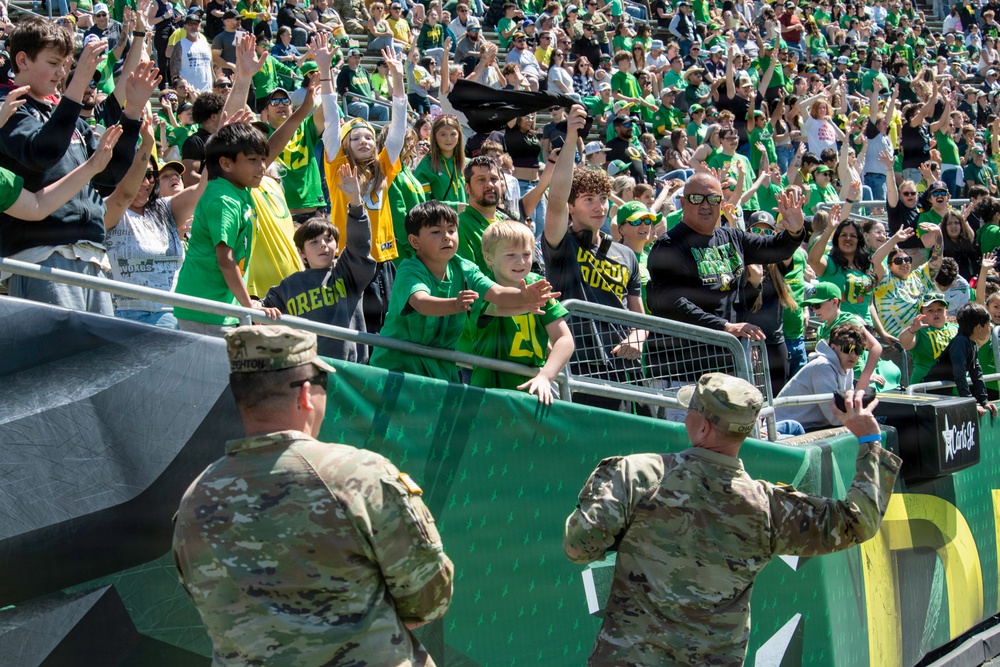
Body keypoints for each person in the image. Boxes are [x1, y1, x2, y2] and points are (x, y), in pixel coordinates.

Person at [563, 373, 901, 666]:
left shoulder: (637, 474)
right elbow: (858, 522)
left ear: (703, 426)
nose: (686, 416)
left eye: (691, 410)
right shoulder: (768, 506)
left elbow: (579, 547)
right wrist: (869, 440)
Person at [172, 325, 454, 666]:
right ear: (306, 394)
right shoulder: (358, 475)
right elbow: (428, 598)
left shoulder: (194, 499)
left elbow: (207, 601)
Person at [0, 19, 152, 314]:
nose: (61, 73)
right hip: (42, 256)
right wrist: (77, 84)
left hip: (92, 253)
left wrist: (132, 113)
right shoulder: (8, 108)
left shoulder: (66, 117)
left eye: (66, 65)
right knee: (56, 356)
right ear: (22, 60)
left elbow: (108, 173)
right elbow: (42, 153)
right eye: (54, 62)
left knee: (95, 360)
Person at [369, 201, 556, 381]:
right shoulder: (409, 270)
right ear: (414, 241)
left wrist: (524, 297)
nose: (446, 237)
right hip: (397, 369)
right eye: (436, 231)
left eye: (451, 230)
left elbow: (497, 293)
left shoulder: (465, 268)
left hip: (441, 371)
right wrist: (455, 304)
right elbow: (421, 302)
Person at [543, 105, 648, 412]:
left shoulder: (626, 254)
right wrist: (573, 135)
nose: (599, 207)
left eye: (602, 199)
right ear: (572, 207)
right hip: (579, 369)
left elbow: (639, 317)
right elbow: (557, 197)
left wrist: (638, 337)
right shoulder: (562, 245)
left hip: (625, 369)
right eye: (588, 200)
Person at [172, 123, 281, 334]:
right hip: (205, 309)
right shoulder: (224, 200)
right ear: (226, 164)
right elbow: (226, 260)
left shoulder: (240, 191)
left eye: (263, 160)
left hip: (221, 307)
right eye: (252, 160)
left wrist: (246, 304)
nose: (262, 167)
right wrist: (248, 306)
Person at [263, 164, 377, 362]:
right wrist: (257, 307)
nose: (323, 245)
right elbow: (262, 310)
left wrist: (355, 201)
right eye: (314, 242)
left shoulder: (348, 273)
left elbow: (360, 243)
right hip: (308, 369)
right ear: (301, 252)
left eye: (328, 239)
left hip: (350, 373)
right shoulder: (289, 286)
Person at [468, 221, 575, 404]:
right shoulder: (481, 287)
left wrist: (545, 376)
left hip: (535, 388)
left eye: (526, 254)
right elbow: (498, 308)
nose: (521, 261)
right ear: (489, 258)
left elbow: (564, 339)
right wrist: (525, 302)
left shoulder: (538, 286)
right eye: (511, 255)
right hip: (490, 389)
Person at [774, 322, 866, 431]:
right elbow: (834, 416)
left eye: (858, 351)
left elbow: (846, 409)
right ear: (833, 347)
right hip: (786, 428)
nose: (853, 355)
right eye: (848, 349)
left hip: (812, 426)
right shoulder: (823, 367)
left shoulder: (848, 368)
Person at [924, 302, 999, 416]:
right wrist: (970, 402)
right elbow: (960, 374)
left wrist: (984, 401)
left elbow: (976, 373)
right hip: (931, 394)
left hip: (944, 393)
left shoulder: (972, 342)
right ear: (979, 327)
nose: (990, 328)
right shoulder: (960, 342)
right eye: (988, 325)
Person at [899, 292, 957, 385]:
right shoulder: (919, 330)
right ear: (921, 314)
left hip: (953, 381)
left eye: (940, 309)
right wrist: (912, 330)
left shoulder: (956, 327)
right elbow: (905, 344)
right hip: (926, 382)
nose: (936, 313)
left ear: (946, 312)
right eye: (930, 310)